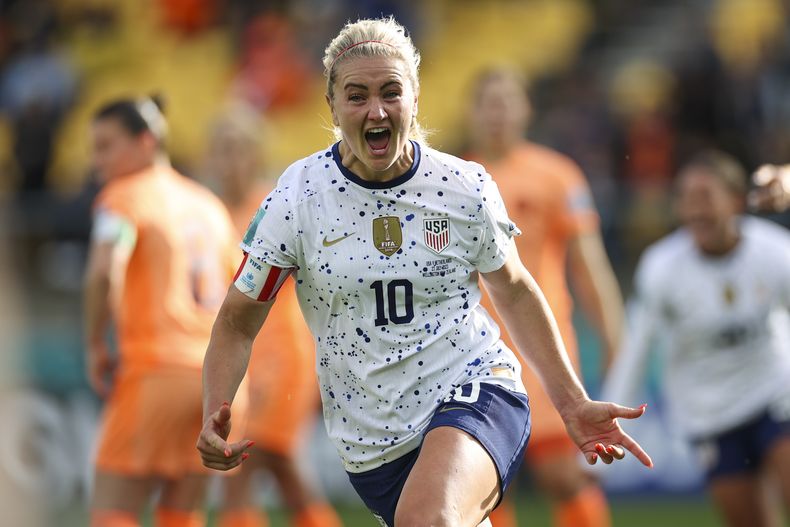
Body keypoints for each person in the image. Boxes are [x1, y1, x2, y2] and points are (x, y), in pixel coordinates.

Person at [197, 17, 652, 527]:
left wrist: (571, 403)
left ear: (415, 98)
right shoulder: (297, 197)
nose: (376, 110)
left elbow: (515, 290)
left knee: (430, 519)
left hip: (474, 387)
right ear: (332, 106)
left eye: (391, 92)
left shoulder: (462, 186)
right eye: (357, 96)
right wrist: (215, 406)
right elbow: (237, 320)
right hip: (371, 442)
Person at [464, 67, 624, 527]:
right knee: (487, 483)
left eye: (506, 102)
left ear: (526, 109)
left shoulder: (558, 176)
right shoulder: (455, 179)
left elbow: (590, 268)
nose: (497, 114)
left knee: (563, 475)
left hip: (543, 343)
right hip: (476, 348)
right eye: (488, 104)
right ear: (472, 113)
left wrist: (614, 338)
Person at [604, 150, 790, 527]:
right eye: (686, 198)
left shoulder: (775, 251)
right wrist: (610, 424)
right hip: (709, 414)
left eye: (705, 196)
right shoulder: (661, 267)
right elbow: (637, 352)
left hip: (774, 394)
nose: (695, 209)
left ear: (735, 200)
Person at [83, 96, 243, 527]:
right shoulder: (209, 205)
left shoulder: (123, 197)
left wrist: (96, 342)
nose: (96, 161)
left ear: (146, 141)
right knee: (180, 515)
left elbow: (104, 271)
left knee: (112, 509)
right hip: (214, 380)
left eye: (105, 146)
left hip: (156, 371)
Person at [203, 107, 342, 527]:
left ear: (255, 154)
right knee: (284, 471)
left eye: (238, 149)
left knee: (242, 471)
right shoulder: (208, 212)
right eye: (221, 150)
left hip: (281, 357)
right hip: (243, 359)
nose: (230, 160)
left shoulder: (274, 207)